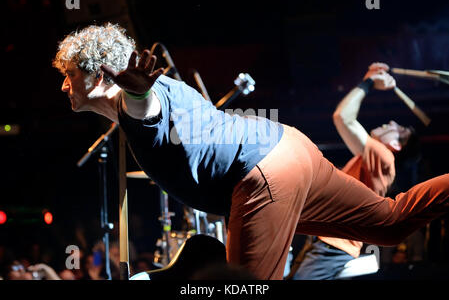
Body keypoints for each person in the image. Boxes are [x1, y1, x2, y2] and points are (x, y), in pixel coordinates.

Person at [53, 23, 449, 280]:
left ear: (100, 74)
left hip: (264, 173)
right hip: (290, 148)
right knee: (392, 222)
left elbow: (145, 109)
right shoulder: (151, 96)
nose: (64, 86)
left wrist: (137, 92)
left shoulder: (138, 98)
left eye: (69, 76)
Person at [290, 62, 416, 280]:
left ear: (396, 146)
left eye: (400, 130)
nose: (393, 122)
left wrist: (368, 83)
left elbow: (343, 117)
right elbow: (343, 119)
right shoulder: (370, 158)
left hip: (336, 244)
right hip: (329, 240)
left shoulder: (384, 157)